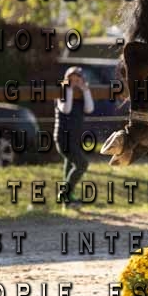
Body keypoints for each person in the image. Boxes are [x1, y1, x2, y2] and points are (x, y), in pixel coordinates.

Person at [54, 67, 94, 206]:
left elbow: (89, 109)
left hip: (75, 138)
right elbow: (66, 109)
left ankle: (67, 199)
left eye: (78, 80)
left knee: (70, 165)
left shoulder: (82, 93)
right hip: (63, 138)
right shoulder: (62, 92)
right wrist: (70, 90)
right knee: (82, 164)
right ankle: (64, 193)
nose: (75, 82)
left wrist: (86, 90)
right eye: (72, 79)